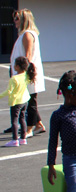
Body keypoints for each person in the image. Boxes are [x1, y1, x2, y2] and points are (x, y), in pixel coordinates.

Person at [10, 9, 46, 137]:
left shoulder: (27, 34)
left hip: (26, 74)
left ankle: (29, 128)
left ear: (24, 20)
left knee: (30, 101)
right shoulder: (24, 34)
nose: (14, 21)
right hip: (22, 73)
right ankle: (38, 124)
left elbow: (27, 56)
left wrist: (22, 75)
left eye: (17, 18)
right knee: (28, 100)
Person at [3, 56, 35, 147]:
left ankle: (15, 140)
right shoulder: (26, 75)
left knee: (14, 121)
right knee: (22, 118)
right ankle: (23, 138)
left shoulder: (14, 78)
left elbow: (9, 91)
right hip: (25, 100)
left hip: (16, 102)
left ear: (17, 66)